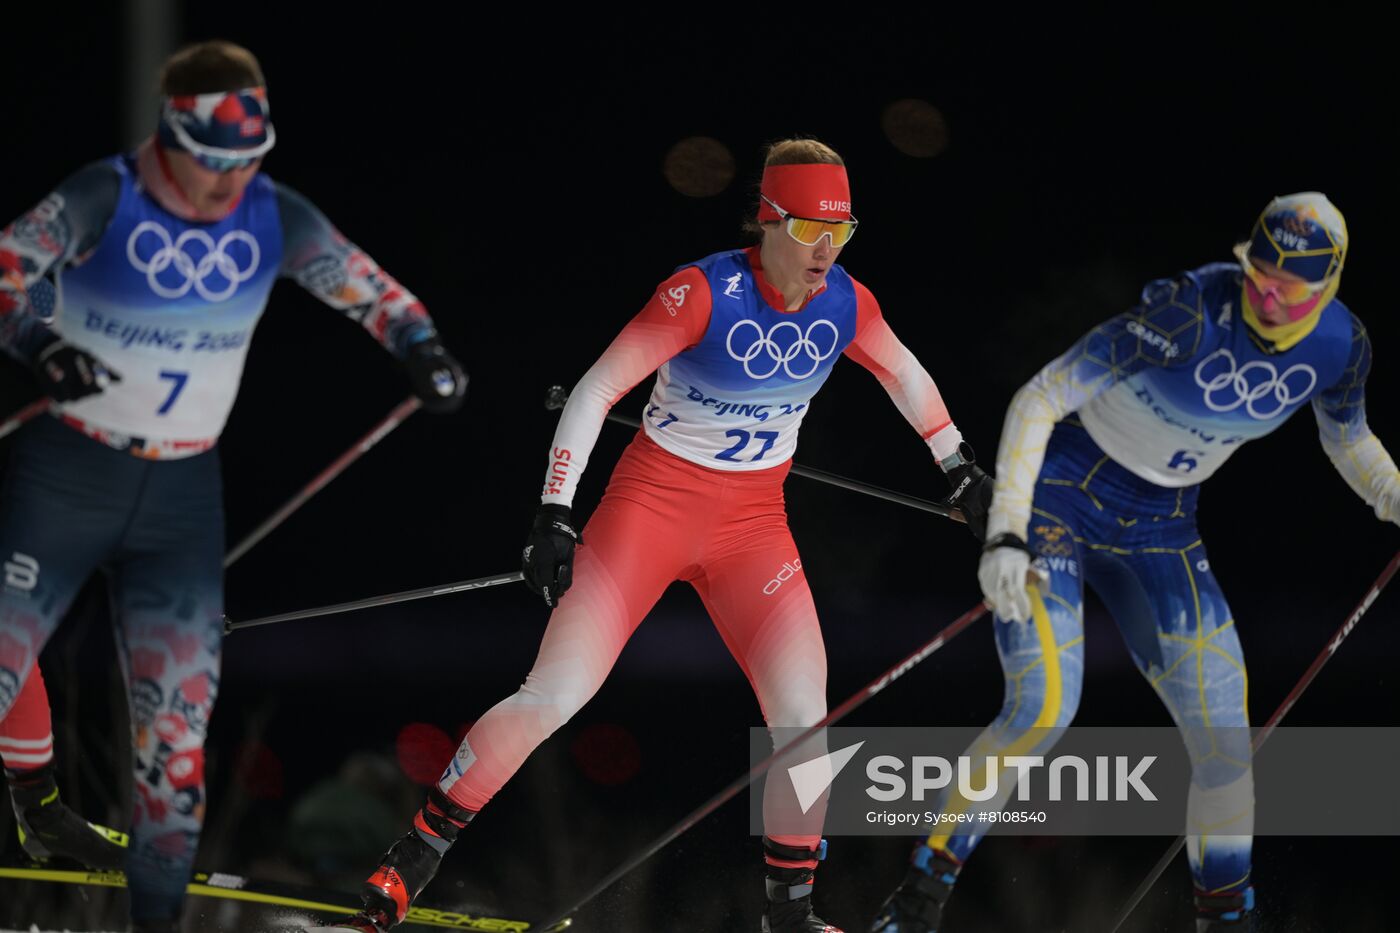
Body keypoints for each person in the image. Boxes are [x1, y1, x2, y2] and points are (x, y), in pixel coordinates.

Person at [326, 137, 993, 933]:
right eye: (812, 230)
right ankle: (413, 858)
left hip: (754, 531)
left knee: (804, 716)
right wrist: (554, 512)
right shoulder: (700, 293)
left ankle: (791, 912)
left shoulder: (846, 303)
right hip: (648, 512)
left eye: (841, 233)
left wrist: (960, 470)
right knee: (556, 695)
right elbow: (596, 389)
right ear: (768, 220)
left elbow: (905, 376)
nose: (826, 252)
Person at [0, 39, 466, 933]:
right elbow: (8, 271)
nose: (227, 185)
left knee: (175, 744)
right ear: (170, 139)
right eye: (211, 164)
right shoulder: (109, 193)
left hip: (180, 491)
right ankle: (38, 803)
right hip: (77, 469)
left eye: (246, 162)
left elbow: (377, 293)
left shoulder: (272, 216)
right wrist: (41, 346)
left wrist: (421, 349)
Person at [869, 192, 1399, 933]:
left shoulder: (1342, 348)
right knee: (1042, 707)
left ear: (1328, 288)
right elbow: (1041, 395)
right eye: (1258, 272)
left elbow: (1348, 440)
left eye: (1290, 286)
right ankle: (917, 901)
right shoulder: (1188, 312)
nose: (1267, 294)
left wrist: (1391, 494)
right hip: (1062, 499)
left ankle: (1226, 920)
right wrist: (1007, 532)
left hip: (1161, 528)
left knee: (1224, 742)